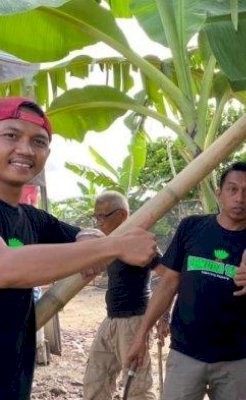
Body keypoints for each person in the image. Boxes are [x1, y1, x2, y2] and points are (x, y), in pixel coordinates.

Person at [0, 96, 157, 399]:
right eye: (11, 135)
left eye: (39, 141)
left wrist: (90, 240)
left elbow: (85, 237)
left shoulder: (32, 219)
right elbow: (6, 267)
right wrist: (111, 247)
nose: (25, 149)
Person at [126, 161, 246, 400]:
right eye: (233, 189)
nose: (240, 198)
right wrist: (141, 335)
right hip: (185, 353)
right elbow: (168, 284)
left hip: (234, 359)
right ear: (219, 194)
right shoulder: (192, 227)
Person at [83, 191, 161, 400]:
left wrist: (163, 316)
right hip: (111, 319)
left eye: (103, 216)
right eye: (96, 217)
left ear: (123, 215)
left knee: (136, 389)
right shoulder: (109, 243)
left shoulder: (140, 240)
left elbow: (168, 277)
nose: (99, 223)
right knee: (95, 381)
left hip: (135, 321)